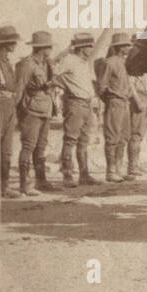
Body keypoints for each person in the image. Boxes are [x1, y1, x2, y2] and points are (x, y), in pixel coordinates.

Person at [52, 31, 100, 187]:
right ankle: (67, 175)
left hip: (86, 104)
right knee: (71, 140)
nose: (91, 49)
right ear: (82, 47)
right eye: (89, 47)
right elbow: (51, 75)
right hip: (75, 104)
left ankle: (84, 175)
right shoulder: (69, 60)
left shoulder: (83, 62)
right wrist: (66, 87)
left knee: (84, 141)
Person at [13, 31, 57, 196]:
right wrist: (14, 112)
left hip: (46, 109)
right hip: (31, 111)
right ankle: (24, 184)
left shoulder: (47, 63)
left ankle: (41, 180)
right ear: (40, 48)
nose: (50, 49)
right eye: (48, 46)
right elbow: (19, 89)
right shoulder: (27, 64)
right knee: (28, 146)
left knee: (41, 147)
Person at [98, 32, 134, 183]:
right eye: (126, 45)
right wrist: (110, 100)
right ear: (119, 47)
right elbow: (101, 86)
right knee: (112, 137)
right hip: (115, 102)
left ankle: (118, 169)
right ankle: (110, 171)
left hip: (125, 102)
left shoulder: (126, 63)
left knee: (124, 136)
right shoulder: (110, 62)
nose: (128, 48)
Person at [0, 25, 21, 198]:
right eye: (13, 41)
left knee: (6, 150)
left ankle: (4, 187)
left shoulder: (6, 61)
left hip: (10, 104)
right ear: (5, 43)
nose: (15, 44)